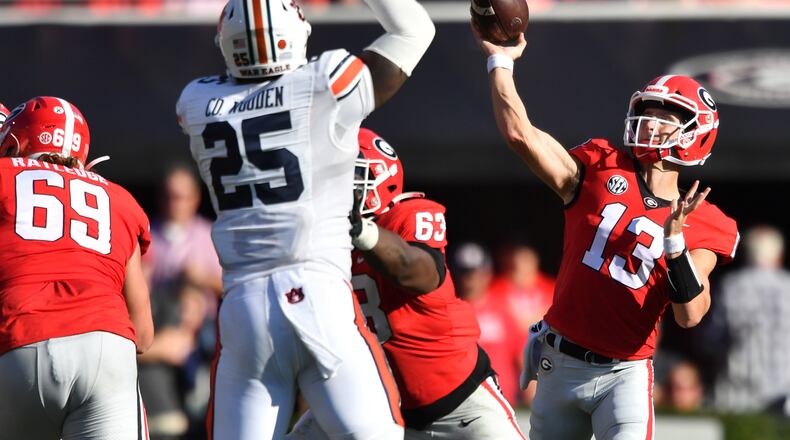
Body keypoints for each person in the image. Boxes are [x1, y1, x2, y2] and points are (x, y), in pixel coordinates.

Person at [176, 0, 435, 437]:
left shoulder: (198, 102)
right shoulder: (325, 83)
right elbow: (414, 31)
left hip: (243, 307)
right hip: (319, 295)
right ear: (296, 34)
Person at [474, 28, 740, 440]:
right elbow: (519, 135)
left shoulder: (705, 219)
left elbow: (690, 315)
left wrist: (674, 244)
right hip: (559, 362)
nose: (649, 122)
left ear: (695, 133)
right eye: (648, 110)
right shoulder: (602, 164)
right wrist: (500, 63)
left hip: (625, 373)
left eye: (665, 116)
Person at [290, 129, 526, 439]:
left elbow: (419, 273)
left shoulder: (409, 214)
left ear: (378, 177)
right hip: (375, 407)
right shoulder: (324, 240)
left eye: (343, 175)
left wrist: (362, 232)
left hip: (461, 404)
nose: (332, 187)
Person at [0, 96, 153, 439]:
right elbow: (143, 335)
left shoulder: (4, 174)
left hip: (20, 344)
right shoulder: (121, 199)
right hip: (108, 349)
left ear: (13, 143)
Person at [138, 164, 222, 439]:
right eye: (171, 196)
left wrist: (201, 280)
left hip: (205, 329)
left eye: (182, 196)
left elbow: (229, 286)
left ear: (196, 199)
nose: (176, 203)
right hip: (162, 325)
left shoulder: (210, 234)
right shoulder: (148, 233)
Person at [710, 225, 790, 414]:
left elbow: (711, 340)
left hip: (738, 395)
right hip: (784, 392)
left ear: (746, 255)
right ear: (779, 257)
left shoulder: (731, 286)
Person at [452, 242, 526, 407]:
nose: (470, 279)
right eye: (465, 272)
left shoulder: (503, 309)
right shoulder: (448, 313)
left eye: (476, 272)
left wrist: (532, 394)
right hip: (463, 404)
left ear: (487, 273)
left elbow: (521, 355)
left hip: (504, 403)